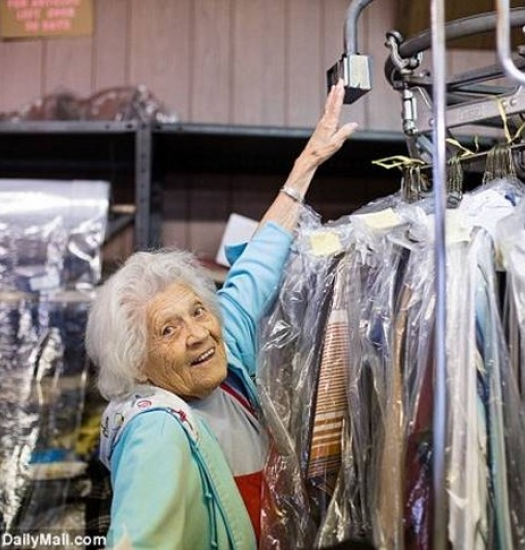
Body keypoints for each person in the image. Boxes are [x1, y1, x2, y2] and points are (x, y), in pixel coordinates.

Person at [85, 80, 358, 549]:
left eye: (198, 311)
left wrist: (305, 165)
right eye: (168, 329)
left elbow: (256, 267)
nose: (197, 334)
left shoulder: (222, 358)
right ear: (136, 361)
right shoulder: (156, 431)